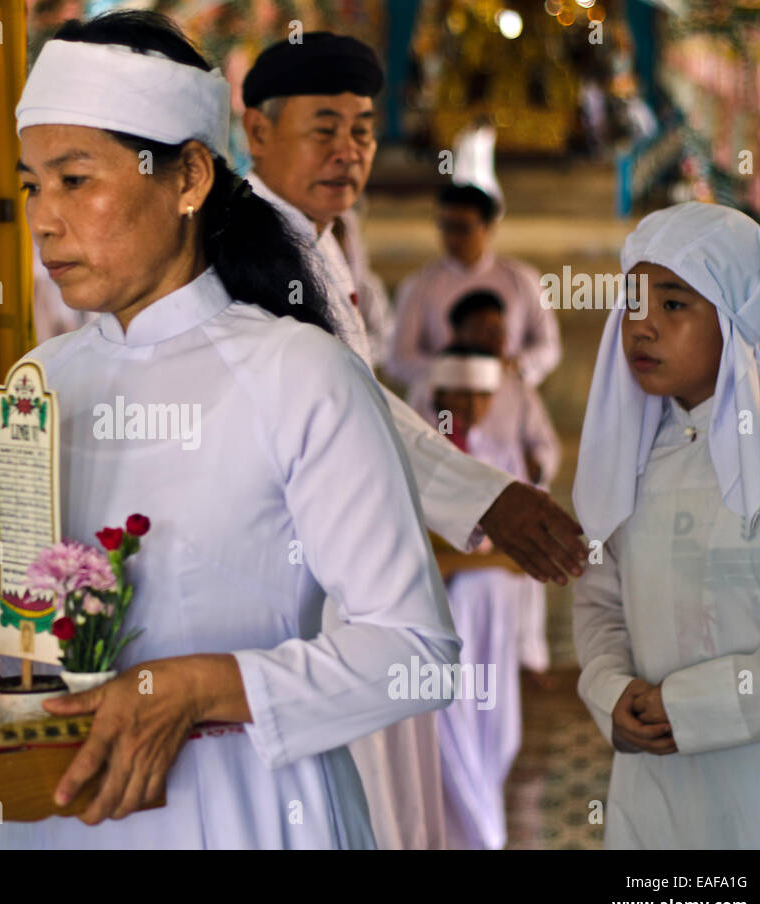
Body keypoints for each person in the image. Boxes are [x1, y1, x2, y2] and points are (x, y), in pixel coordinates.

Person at [0, 10, 461, 850]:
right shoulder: (44, 381)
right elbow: (56, 634)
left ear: (188, 180)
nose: (44, 220)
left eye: (77, 180)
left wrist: (204, 688)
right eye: (34, 185)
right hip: (59, 809)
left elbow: (417, 654)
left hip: (243, 807)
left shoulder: (299, 374)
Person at [238, 31, 586, 849]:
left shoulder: (316, 241)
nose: (348, 151)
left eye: (361, 130)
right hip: (298, 577)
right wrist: (487, 496)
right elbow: (361, 403)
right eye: (322, 128)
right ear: (257, 132)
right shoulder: (253, 249)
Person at [572, 202, 760, 849]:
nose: (642, 328)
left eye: (673, 306)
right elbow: (598, 599)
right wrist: (610, 691)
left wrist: (701, 706)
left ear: (734, 319)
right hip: (657, 792)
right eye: (633, 305)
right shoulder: (629, 455)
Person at [415, 348, 554, 849]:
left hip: (492, 616)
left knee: (498, 730)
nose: (472, 406)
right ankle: (473, 836)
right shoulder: (422, 456)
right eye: (461, 394)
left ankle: (484, 826)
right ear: (439, 394)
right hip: (443, 618)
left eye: (482, 395)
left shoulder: (499, 456)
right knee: (447, 734)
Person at [418, 289, 561, 678]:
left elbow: (544, 447)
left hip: (502, 530)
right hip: (443, 545)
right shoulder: (426, 393)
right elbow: (422, 456)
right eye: (483, 329)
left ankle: (522, 660)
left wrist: (536, 466)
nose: (472, 406)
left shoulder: (517, 390)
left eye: (499, 330)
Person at [389, 183, 561, 391]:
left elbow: (549, 347)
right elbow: (399, 359)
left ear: (488, 227)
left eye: (462, 228)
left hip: (508, 394)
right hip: (443, 403)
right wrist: (454, 372)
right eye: (445, 226)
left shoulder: (522, 279)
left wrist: (513, 366)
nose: (452, 238)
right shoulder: (419, 285)